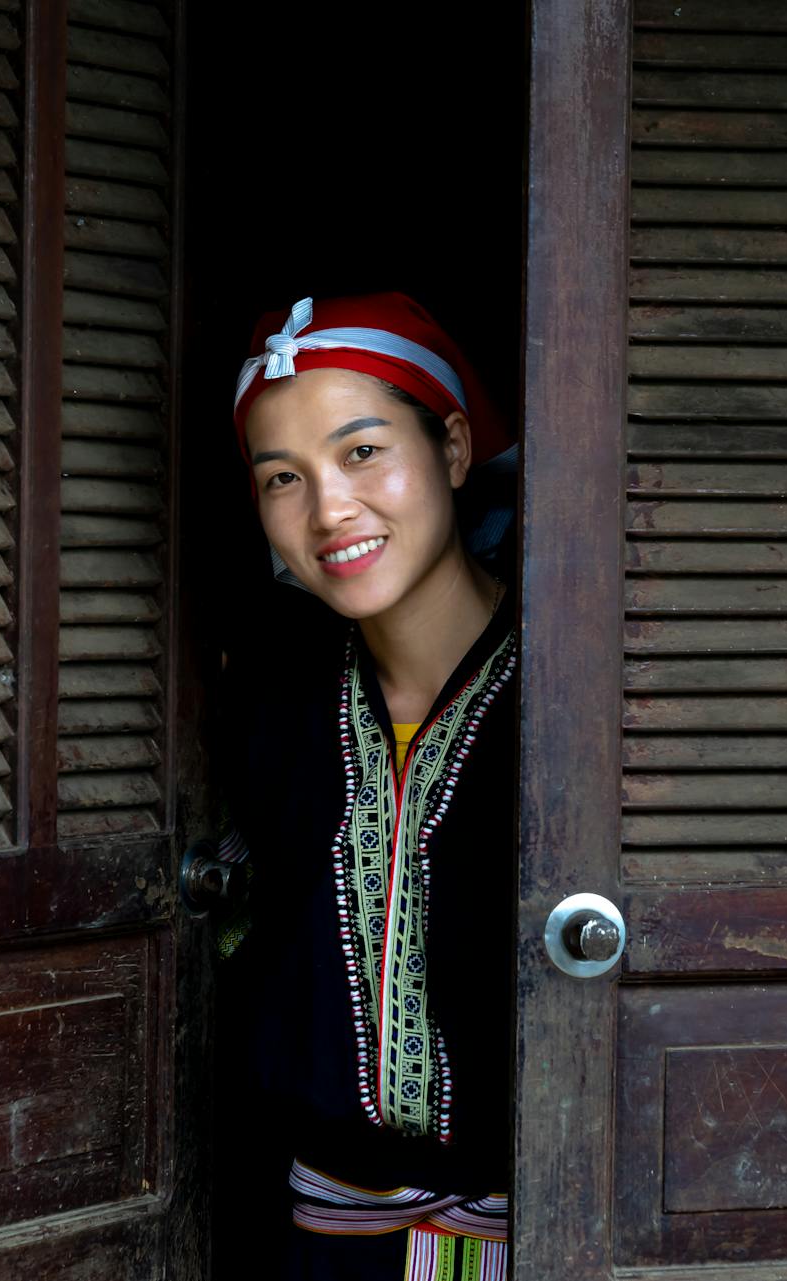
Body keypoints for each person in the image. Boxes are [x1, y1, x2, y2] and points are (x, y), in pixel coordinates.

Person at [209, 293, 518, 1281]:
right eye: (282, 477)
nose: (329, 509)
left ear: (453, 449)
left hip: (557, 1226)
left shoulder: (573, 699)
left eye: (362, 452)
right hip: (319, 1236)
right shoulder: (269, 703)